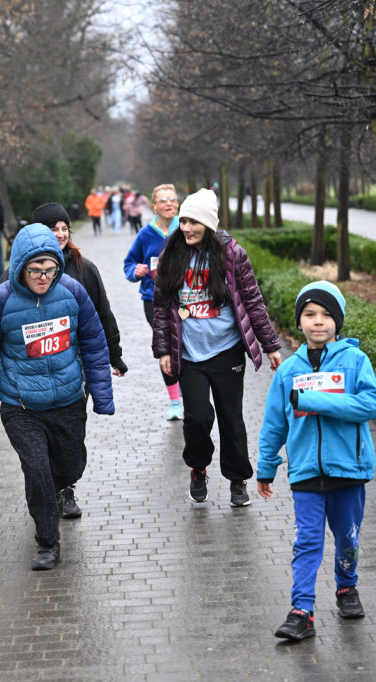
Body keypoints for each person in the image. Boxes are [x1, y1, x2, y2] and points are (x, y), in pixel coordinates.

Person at [0, 224, 114, 571]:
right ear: (20, 267)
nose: (43, 277)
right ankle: (47, 542)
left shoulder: (72, 291)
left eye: (50, 269)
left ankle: (58, 489)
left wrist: (101, 396)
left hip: (69, 401)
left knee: (71, 467)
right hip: (21, 406)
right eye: (35, 270)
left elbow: (94, 345)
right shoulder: (0, 301)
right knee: (37, 472)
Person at [257, 281, 376, 641]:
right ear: (299, 322)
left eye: (327, 315)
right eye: (310, 315)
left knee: (347, 537)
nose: (318, 322)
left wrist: (317, 401)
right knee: (307, 541)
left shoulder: (355, 361)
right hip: (305, 473)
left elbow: (372, 405)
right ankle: (302, 611)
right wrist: (266, 467)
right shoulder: (288, 371)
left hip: (349, 469)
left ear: (338, 321)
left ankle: (347, 588)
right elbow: (273, 423)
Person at [151, 188, 283, 506]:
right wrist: (164, 350)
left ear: (208, 224)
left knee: (230, 417)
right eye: (183, 221)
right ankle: (198, 467)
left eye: (193, 221)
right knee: (196, 418)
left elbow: (252, 300)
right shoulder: (173, 252)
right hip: (189, 352)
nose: (186, 228)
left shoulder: (231, 253)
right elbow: (162, 304)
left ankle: (238, 480)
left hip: (226, 350)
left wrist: (271, 344)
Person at [123, 183, 184, 420]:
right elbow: (129, 263)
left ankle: (192, 394)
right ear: (153, 206)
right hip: (153, 300)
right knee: (167, 346)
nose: (169, 203)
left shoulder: (187, 227)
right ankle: (175, 401)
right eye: (163, 200)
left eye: (172, 199)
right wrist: (135, 271)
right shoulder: (145, 234)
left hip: (186, 300)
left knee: (187, 344)